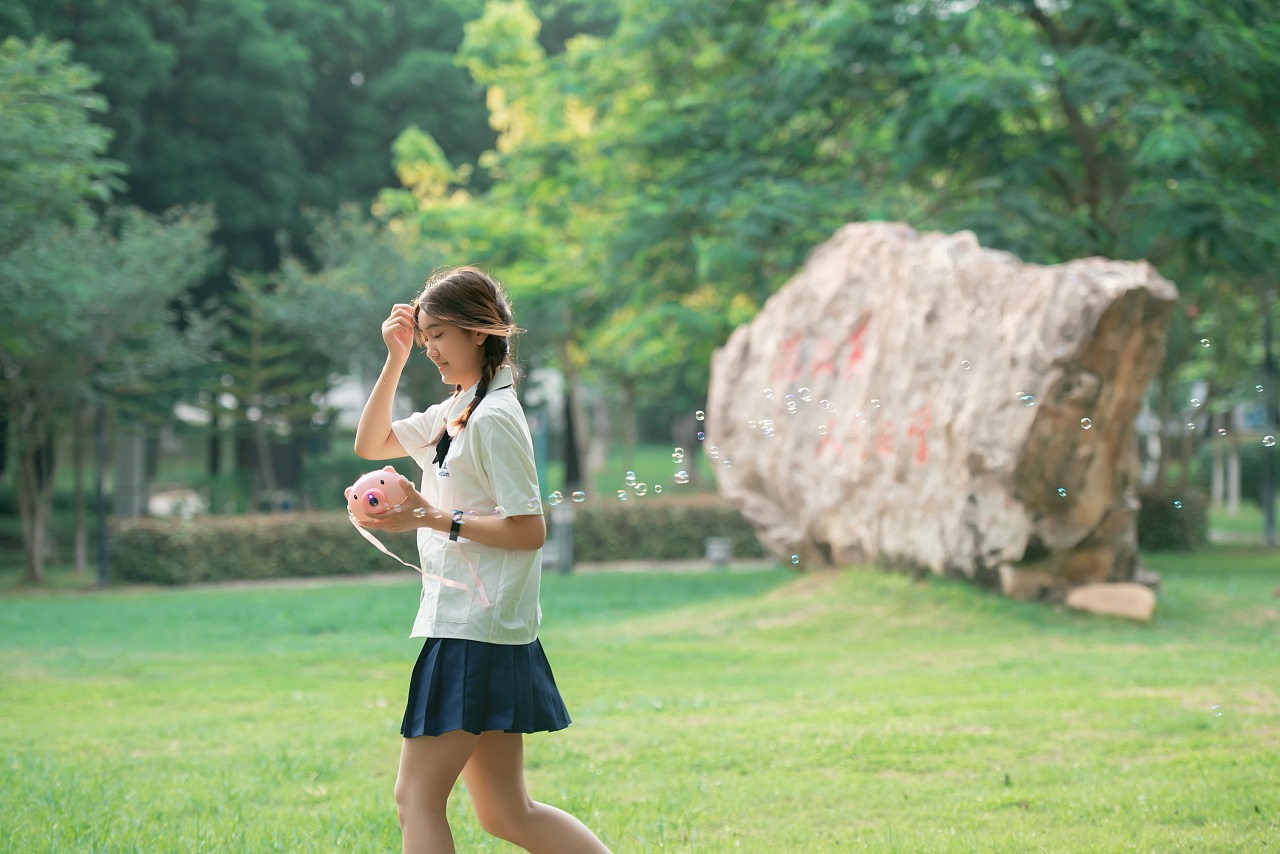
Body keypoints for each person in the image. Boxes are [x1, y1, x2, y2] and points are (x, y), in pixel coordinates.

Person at [353, 266, 612, 854]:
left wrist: (428, 517)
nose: (432, 351)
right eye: (425, 340)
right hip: (484, 628)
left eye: (440, 335)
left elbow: (529, 530)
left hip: (473, 630)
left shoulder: (494, 417)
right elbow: (370, 444)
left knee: (415, 800)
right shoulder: (459, 408)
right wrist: (393, 360)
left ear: (479, 331)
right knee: (505, 812)